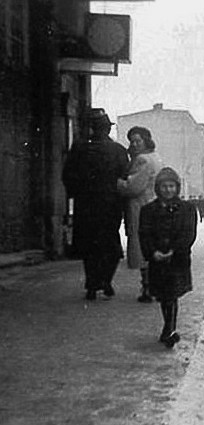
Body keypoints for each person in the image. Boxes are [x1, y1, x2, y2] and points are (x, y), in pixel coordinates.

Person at [62, 108, 129, 300]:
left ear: (91, 128)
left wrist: (78, 195)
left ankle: (92, 285)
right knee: (110, 246)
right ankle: (106, 280)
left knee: (89, 247)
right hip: (110, 206)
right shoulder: (118, 150)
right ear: (108, 129)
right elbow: (124, 178)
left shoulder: (79, 148)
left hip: (86, 206)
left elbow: (67, 175)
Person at [139, 167, 197, 348]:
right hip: (157, 260)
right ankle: (169, 328)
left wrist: (175, 250)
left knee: (172, 294)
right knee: (164, 296)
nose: (168, 190)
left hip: (177, 260)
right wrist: (152, 252)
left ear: (177, 187)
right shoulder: (148, 210)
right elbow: (144, 234)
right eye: (164, 186)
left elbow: (189, 233)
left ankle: (169, 329)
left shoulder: (187, 209)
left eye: (172, 186)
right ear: (158, 188)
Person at [117, 126, 163, 303]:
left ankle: (147, 288)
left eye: (138, 140)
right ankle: (151, 286)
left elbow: (133, 186)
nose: (134, 144)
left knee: (143, 248)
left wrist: (117, 183)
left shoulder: (142, 160)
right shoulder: (156, 157)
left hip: (141, 207)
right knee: (151, 247)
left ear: (146, 140)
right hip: (153, 205)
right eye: (132, 141)